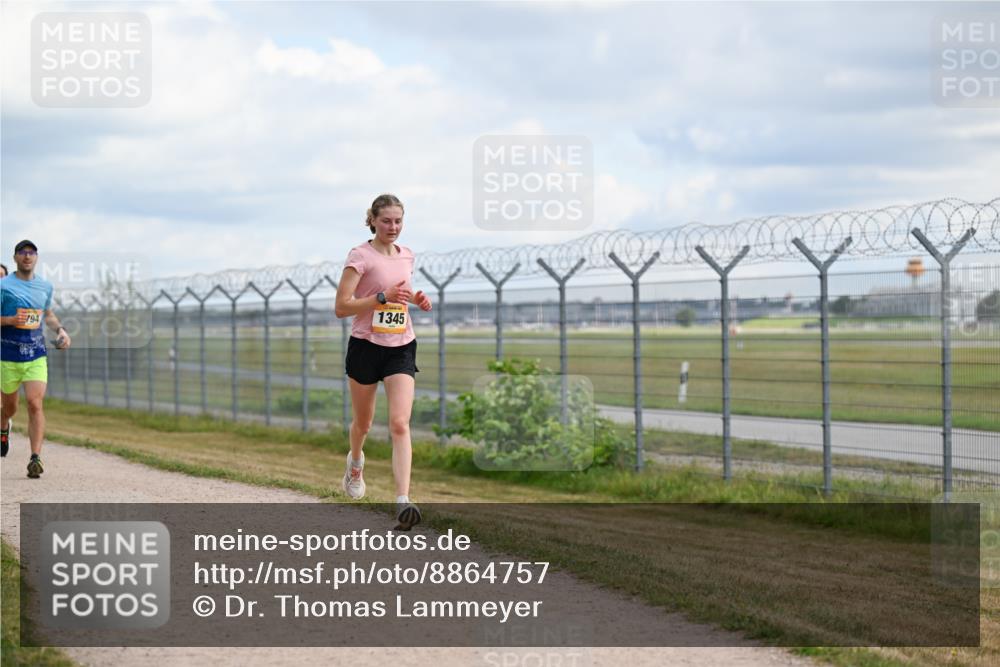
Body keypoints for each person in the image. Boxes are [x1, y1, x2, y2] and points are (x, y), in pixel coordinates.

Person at [335, 194, 432, 530]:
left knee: (400, 423)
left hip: (401, 345)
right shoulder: (359, 256)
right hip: (365, 346)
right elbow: (342, 307)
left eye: (399, 221)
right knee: (363, 423)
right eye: (387, 221)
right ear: (373, 220)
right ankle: (356, 463)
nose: (393, 227)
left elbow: (401, 294)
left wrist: (415, 299)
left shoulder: (407, 255)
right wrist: (381, 298)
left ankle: (403, 501)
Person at [1, 240, 71, 476]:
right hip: (7, 355)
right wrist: (10, 321)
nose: (27, 257)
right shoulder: (4, 286)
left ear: (36, 258)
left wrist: (60, 330)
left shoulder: (44, 286)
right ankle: (3, 426)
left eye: (31, 253)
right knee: (10, 408)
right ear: (15, 258)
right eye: (22, 253)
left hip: (35, 355)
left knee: (34, 403)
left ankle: (35, 458)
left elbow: (47, 314)